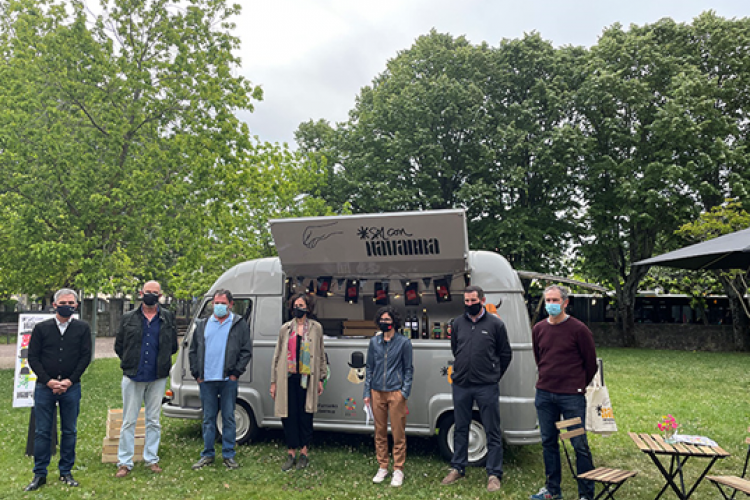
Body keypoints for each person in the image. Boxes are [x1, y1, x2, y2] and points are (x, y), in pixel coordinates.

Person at [441, 285, 512, 493]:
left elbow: (505, 354)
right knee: (460, 427)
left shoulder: (496, 324)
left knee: (492, 429)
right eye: (467, 301)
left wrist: (493, 375)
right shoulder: (457, 323)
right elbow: (456, 348)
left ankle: (494, 474)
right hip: (461, 384)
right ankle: (457, 467)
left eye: (473, 300)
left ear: (482, 300)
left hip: (486, 385)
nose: (470, 304)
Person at [530, 285, 598, 500]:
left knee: (577, 443)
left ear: (565, 302)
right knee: (548, 442)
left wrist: (576, 384)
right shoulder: (539, 329)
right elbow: (539, 358)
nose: (551, 304)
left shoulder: (578, 330)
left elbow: (590, 364)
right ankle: (552, 490)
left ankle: (586, 493)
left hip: (569, 398)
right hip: (545, 396)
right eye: (548, 300)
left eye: (555, 300)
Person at [25, 288, 92, 491]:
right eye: (63, 303)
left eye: (71, 304)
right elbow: (33, 357)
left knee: (69, 431)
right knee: (42, 432)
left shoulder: (82, 328)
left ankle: (66, 471)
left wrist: (70, 381)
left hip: (71, 388)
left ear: (76, 306)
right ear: (54, 305)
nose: (67, 307)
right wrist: (48, 381)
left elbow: (85, 357)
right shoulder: (41, 328)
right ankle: (40, 474)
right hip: (45, 387)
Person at [114, 280, 178, 477]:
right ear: (141, 293)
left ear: (160, 296)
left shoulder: (167, 317)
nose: (151, 295)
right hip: (134, 375)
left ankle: (151, 459)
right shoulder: (128, 318)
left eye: (155, 293)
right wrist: (130, 361)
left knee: (153, 421)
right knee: (128, 421)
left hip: (157, 376)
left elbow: (173, 346)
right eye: (148, 292)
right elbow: (119, 345)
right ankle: (124, 462)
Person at [189, 289, 252, 470]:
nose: (219, 306)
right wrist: (197, 374)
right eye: (216, 303)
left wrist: (235, 374)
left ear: (231, 304)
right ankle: (207, 454)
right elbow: (193, 351)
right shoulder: (202, 324)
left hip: (227, 380)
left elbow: (246, 351)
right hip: (206, 380)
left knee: (228, 417)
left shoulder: (239, 324)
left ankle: (228, 455)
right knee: (208, 418)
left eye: (223, 303)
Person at [270, 293, 327, 471]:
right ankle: (291, 452)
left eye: (301, 305)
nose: (298, 308)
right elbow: (277, 355)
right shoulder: (285, 328)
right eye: (295, 305)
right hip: (287, 378)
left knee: (305, 415)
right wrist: (273, 382)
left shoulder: (316, 328)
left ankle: (304, 453)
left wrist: (320, 378)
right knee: (288, 416)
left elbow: (321, 353)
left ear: (308, 308)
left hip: (307, 379)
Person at [363, 306, 414, 487]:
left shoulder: (403, 343)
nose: (385, 323)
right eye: (382, 320)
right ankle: (383, 466)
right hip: (377, 391)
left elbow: (408, 369)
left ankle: (398, 469)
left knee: (398, 433)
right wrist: (366, 392)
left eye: (388, 320)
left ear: (394, 322)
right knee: (380, 432)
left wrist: (404, 392)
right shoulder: (374, 342)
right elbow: (369, 367)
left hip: (396, 392)